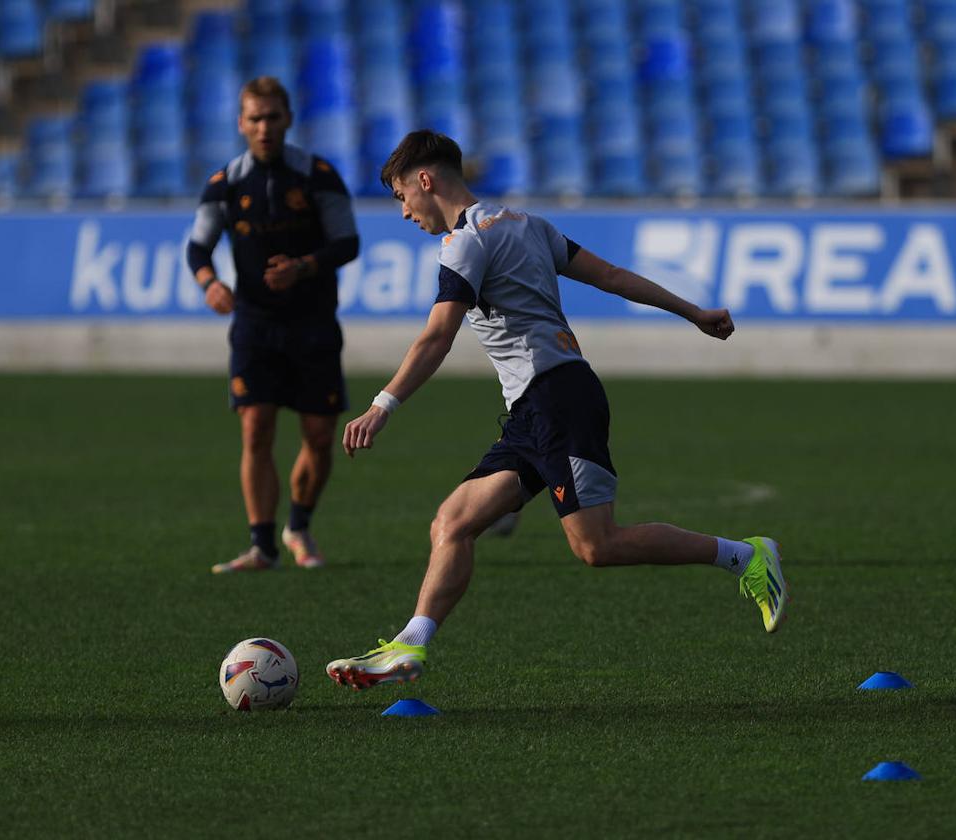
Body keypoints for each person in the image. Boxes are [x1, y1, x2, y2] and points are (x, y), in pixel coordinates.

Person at [325, 131, 787, 690]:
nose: (403, 212)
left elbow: (437, 336)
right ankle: (410, 647)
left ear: (426, 180)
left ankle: (747, 556)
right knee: (453, 522)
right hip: (536, 408)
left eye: (402, 196)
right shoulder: (526, 223)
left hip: (557, 401)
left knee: (598, 546)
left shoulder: (464, 243)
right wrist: (692, 311)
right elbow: (612, 277)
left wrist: (383, 404)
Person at [186, 77, 359, 573]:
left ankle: (298, 525)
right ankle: (262, 545)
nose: (264, 127)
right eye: (254, 118)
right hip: (255, 325)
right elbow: (198, 246)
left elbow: (347, 243)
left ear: (288, 119)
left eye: (272, 117)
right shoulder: (225, 185)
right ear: (241, 123)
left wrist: (303, 267)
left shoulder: (319, 177)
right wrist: (209, 283)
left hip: (313, 324)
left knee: (320, 437)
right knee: (256, 430)